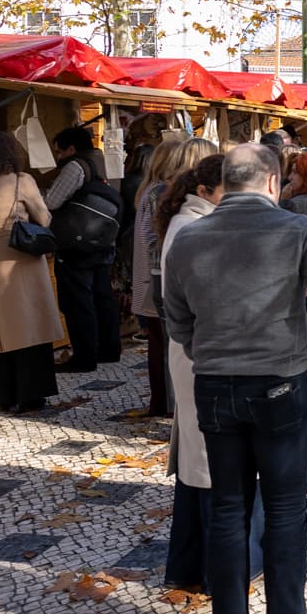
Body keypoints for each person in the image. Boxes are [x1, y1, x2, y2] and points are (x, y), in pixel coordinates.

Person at [161, 145, 307, 614]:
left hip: (217, 384)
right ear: (272, 183)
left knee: (228, 506)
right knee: (285, 507)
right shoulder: (294, 230)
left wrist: (207, 347)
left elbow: (176, 318)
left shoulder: (188, 236)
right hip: (279, 381)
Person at [157, 156, 266, 596]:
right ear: (205, 191)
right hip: (204, 355)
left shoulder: (193, 222)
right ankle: (219, 570)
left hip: (200, 352)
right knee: (210, 461)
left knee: (204, 459)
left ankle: (198, 565)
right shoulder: (193, 228)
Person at [0, 131, 63, 414]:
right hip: (18, 257)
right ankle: (31, 393)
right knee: (29, 325)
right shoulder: (21, 181)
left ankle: (1, 393)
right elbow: (43, 218)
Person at [131, 138, 219, 418]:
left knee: (169, 342)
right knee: (171, 342)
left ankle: (169, 404)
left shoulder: (166, 190)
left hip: (162, 275)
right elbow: (150, 238)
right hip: (165, 276)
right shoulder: (165, 192)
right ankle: (170, 405)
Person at [45, 126, 121, 371]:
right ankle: (109, 349)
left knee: (78, 301)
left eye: (59, 151)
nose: (57, 156)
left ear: (71, 148)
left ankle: (84, 357)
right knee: (102, 297)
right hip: (104, 239)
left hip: (76, 244)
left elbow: (52, 202)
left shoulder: (75, 166)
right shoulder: (105, 160)